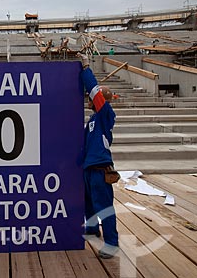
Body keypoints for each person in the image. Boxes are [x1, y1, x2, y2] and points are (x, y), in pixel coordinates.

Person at [78, 53, 119, 259]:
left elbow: (94, 91)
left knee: (104, 206)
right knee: (89, 203)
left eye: (91, 98)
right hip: (89, 168)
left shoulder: (106, 114)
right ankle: (93, 229)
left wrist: (86, 68)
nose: (88, 99)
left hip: (100, 168)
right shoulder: (93, 120)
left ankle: (111, 242)